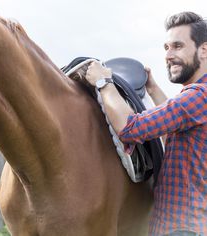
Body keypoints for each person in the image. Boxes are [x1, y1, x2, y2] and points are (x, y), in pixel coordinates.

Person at [84, 12, 207, 236]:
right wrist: (152, 90)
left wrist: (104, 83)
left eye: (178, 46)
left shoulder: (198, 96)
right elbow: (176, 130)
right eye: (166, 47)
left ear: (204, 50)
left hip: (181, 229)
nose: (169, 55)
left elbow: (131, 129)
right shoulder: (196, 100)